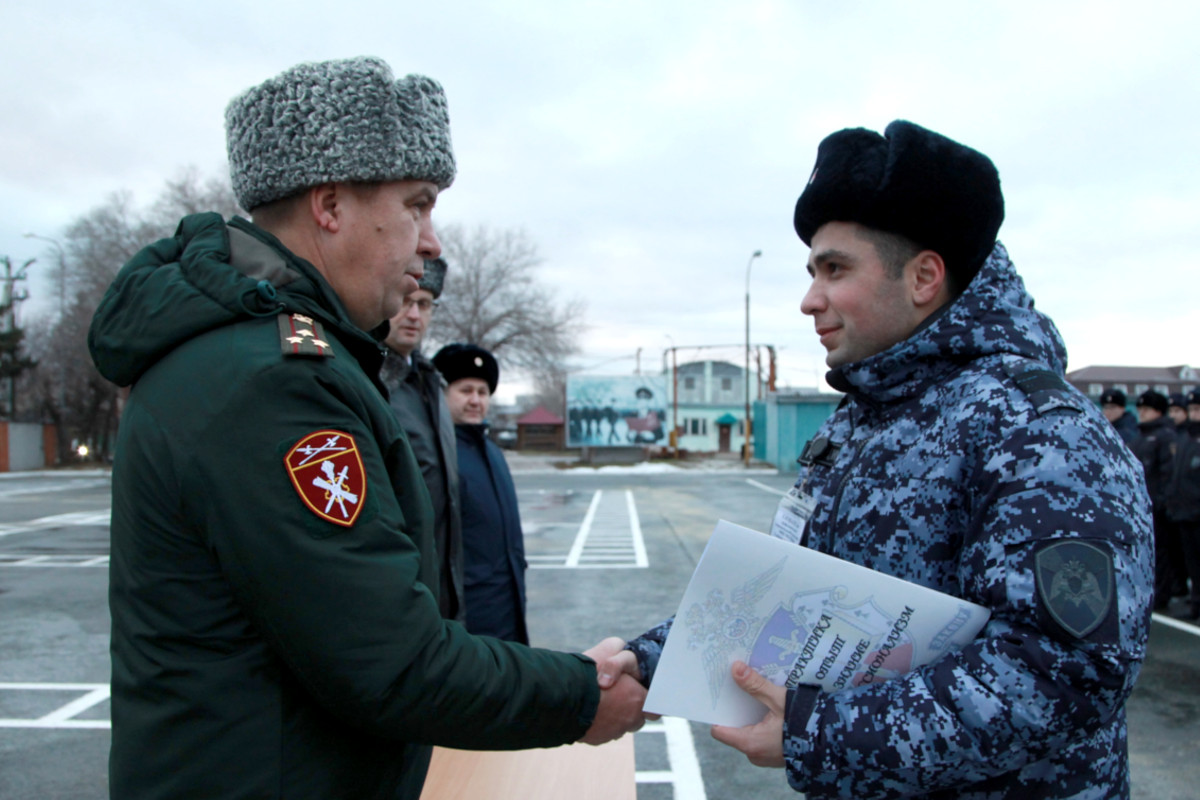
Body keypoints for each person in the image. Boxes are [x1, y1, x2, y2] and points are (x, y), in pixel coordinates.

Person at [87, 57, 644, 800]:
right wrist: (581, 695)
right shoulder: (276, 383)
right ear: (329, 205)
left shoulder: (266, 355)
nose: (431, 242)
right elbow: (390, 662)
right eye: (417, 205)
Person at [600, 121, 1152, 798]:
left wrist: (817, 733)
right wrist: (647, 662)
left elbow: (1062, 672)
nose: (809, 300)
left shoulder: (1038, 428)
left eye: (835, 269)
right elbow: (789, 594)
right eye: (812, 272)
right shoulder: (861, 418)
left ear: (923, 277)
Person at [381, 256, 463, 622]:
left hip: (443, 593)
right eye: (405, 300)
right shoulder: (371, 383)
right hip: (398, 596)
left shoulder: (432, 384)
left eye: (425, 304)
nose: (414, 315)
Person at [433, 343, 529, 643]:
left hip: (509, 610)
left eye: (483, 392)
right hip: (467, 620)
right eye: (465, 390)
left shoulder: (493, 452)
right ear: (443, 393)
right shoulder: (436, 454)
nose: (475, 400)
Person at [1133, 389, 1182, 609]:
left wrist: (1162, 501)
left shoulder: (1165, 436)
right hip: (1140, 505)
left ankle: (1161, 595)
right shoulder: (1139, 437)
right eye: (1140, 409)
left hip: (1157, 506)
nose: (1142, 413)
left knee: (1161, 552)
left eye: (1147, 409)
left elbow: (1168, 472)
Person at [1167, 389, 1200, 618]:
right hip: (1185, 512)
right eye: (1192, 410)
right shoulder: (1185, 438)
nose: (1194, 414)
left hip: (1197, 511)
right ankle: (1196, 603)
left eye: (1197, 409)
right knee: (1193, 564)